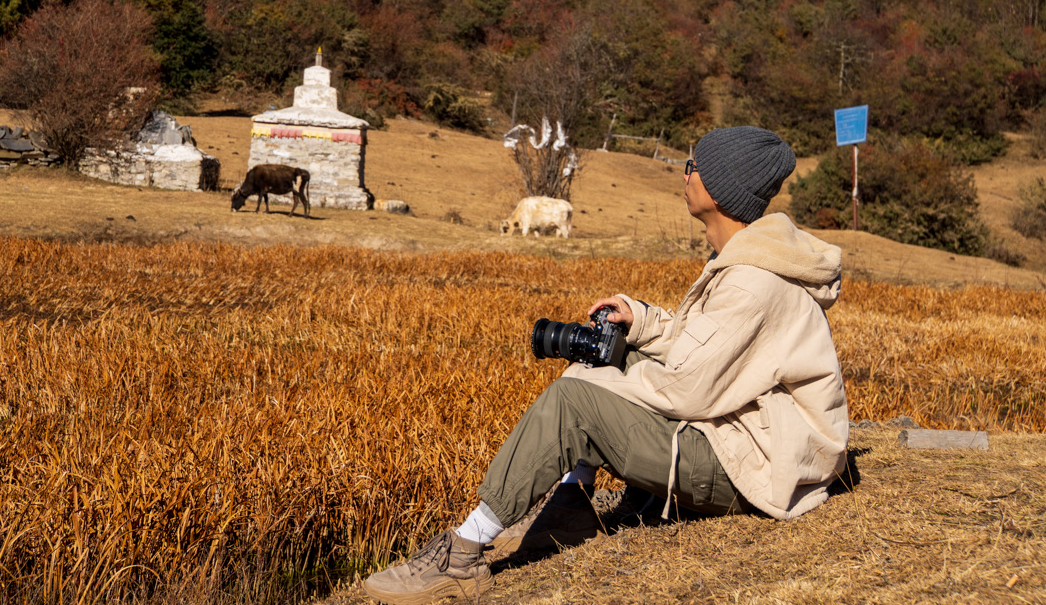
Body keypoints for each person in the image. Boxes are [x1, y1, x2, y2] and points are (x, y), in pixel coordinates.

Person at [363, 126, 849, 605]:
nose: (684, 176)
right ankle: (573, 506)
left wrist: (605, 379)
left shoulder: (752, 281)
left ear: (719, 188)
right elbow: (704, 348)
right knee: (601, 357)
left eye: (692, 166)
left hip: (760, 468)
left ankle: (463, 553)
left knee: (576, 397)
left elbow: (689, 389)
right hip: (750, 435)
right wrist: (638, 323)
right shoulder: (746, 259)